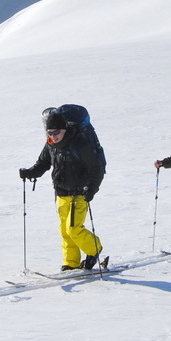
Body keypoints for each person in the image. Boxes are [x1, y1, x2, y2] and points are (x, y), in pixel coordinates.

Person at [19, 107, 104, 271]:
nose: (53, 136)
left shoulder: (79, 143)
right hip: (61, 193)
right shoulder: (51, 145)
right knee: (65, 232)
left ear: (64, 129)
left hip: (79, 194)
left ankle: (95, 249)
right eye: (49, 133)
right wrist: (30, 172)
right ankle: (71, 263)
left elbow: (96, 167)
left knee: (74, 229)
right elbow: (43, 163)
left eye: (56, 132)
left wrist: (91, 189)